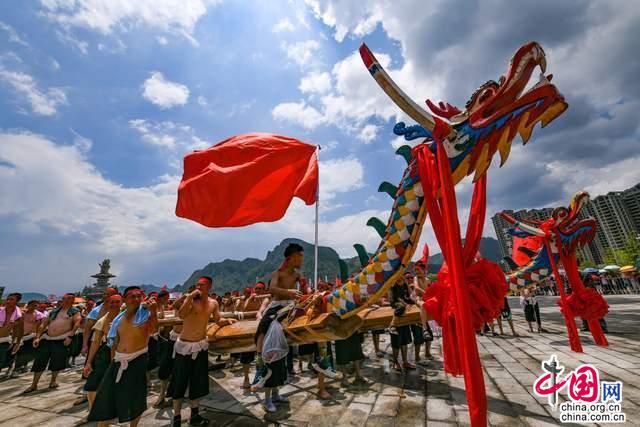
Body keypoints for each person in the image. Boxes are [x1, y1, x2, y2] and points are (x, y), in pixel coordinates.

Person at [169, 276, 234, 426]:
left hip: (200, 346)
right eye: (197, 285)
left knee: (198, 382)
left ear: (209, 286)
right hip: (184, 348)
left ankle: (195, 416)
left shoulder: (213, 303)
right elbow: (182, 315)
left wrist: (227, 321)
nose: (198, 287)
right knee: (179, 382)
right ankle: (177, 417)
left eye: (202, 285)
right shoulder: (191, 301)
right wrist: (189, 297)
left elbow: (217, 319)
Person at [88, 286, 158, 427]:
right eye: (132, 296)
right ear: (125, 299)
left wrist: (154, 311)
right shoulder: (118, 319)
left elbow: (153, 330)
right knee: (107, 396)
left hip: (137, 359)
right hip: (118, 360)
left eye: (139, 296)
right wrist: (112, 361)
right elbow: (115, 343)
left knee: (136, 397)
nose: (136, 299)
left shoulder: (144, 315)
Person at [25, 293, 81, 392]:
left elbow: (77, 323)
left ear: (72, 301)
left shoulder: (74, 312)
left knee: (57, 361)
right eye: (64, 298)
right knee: (39, 361)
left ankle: (53, 381)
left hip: (61, 339)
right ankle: (34, 384)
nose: (65, 300)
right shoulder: (54, 311)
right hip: (47, 338)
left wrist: (70, 336)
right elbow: (43, 324)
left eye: (68, 299)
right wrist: (37, 337)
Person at [83, 294, 123, 410]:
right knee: (93, 382)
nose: (114, 304)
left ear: (122, 303)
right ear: (107, 303)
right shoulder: (103, 320)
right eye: (112, 302)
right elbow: (96, 342)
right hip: (106, 350)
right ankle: (92, 409)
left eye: (117, 302)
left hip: (123, 351)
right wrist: (89, 362)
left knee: (118, 382)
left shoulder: (127, 317)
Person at [155, 291, 186, 409]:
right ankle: (162, 394)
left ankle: (177, 393)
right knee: (165, 367)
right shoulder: (179, 306)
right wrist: (186, 296)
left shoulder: (195, 308)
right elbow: (175, 304)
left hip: (186, 342)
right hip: (173, 339)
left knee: (181, 369)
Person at [238, 283, 269, 389]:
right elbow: (244, 308)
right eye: (256, 288)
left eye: (260, 289)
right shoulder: (251, 299)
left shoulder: (267, 299)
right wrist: (250, 299)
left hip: (262, 331)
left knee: (262, 356)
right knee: (246, 357)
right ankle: (246, 379)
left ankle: (261, 378)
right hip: (249, 331)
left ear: (264, 290)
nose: (257, 290)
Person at [82, 287, 119, 356]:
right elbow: (87, 329)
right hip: (98, 342)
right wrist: (84, 345)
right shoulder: (96, 311)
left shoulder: (122, 309)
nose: (105, 296)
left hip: (118, 342)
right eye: (104, 294)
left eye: (108, 294)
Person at [388, 280, 416, 371]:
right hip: (397, 305)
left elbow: (407, 296)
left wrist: (413, 301)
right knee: (396, 342)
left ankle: (405, 362)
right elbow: (395, 298)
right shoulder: (392, 285)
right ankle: (395, 362)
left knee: (404, 341)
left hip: (404, 317)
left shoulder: (404, 284)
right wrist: (405, 304)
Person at [13, 300, 45, 374]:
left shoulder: (38, 315)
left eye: (36, 305)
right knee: (17, 353)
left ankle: (20, 368)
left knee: (26, 352)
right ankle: (16, 367)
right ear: (28, 305)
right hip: (19, 336)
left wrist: (37, 336)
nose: (34, 307)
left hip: (30, 336)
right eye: (33, 305)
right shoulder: (21, 313)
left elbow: (40, 326)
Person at [0, 293, 23, 377]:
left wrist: (17, 343)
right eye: (8, 299)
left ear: (17, 301)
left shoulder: (19, 315)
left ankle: (10, 368)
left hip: (4, 340)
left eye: (11, 299)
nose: (8, 301)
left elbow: (20, 330)